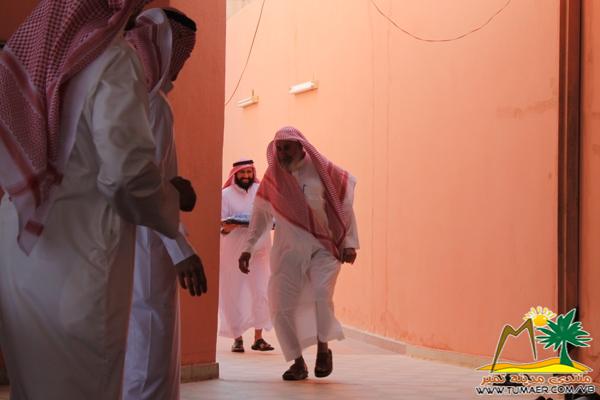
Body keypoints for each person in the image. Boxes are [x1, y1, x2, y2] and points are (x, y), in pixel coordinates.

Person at [0, 1, 188, 398]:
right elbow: (126, 177)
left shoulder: (40, 57)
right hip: (80, 261)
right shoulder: (112, 58)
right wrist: (171, 197)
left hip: (21, 251)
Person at [123, 8, 207, 400]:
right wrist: (181, 249)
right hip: (147, 243)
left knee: (133, 350)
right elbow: (150, 189)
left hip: (123, 243)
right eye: (180, 53)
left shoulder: (126, 99)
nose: (182, 63)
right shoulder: (153, 106)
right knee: (149, 352)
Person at [239, 126, 359, 381]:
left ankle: (323, 349)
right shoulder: (273, 177)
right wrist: (248, 248)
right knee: (279, 305)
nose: (282, 153)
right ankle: (297, 362)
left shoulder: (323, 170)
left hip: (324, 247)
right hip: (288, 251)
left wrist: (349, 242)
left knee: (321, 295)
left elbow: (345, 206)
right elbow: (260, 215)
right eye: (279, 149)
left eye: (287, 148)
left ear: (300, 147)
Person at [220, 159, 274, 353]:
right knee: (233, 293)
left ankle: (258, 338)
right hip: (233, 253)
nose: (246, 176)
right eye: (242, 173)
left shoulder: (262, 191)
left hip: (260, 252)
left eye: (249, 172)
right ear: (235, 174)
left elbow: (271, 217)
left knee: (261, 292)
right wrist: (233, 225)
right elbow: (222, 227)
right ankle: (237, 338)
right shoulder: (225, 195)